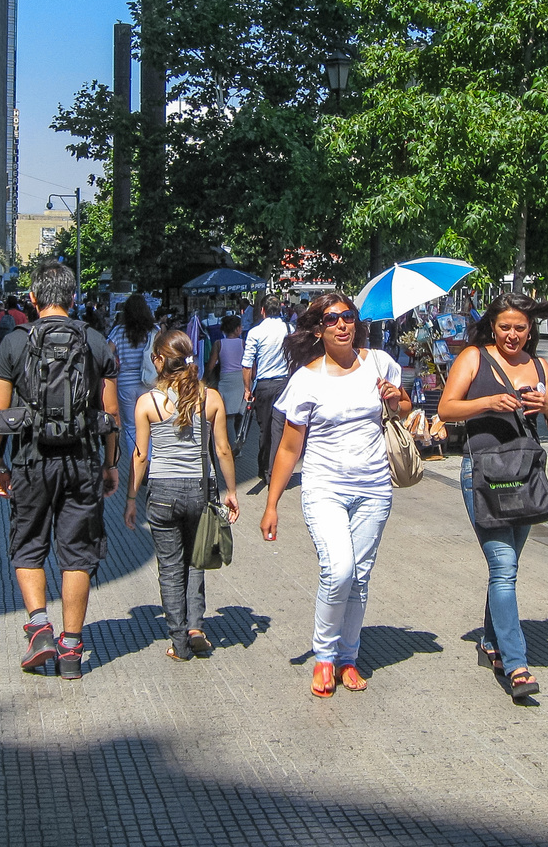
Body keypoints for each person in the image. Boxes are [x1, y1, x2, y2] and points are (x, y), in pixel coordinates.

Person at [259, 293, 410, 698]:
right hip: (325, 488)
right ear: (318, 328)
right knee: (338, 570)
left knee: (359, 578)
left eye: (348, 317)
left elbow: (406, 406)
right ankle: (324, 656)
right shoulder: (307, 378)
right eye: (332, 319)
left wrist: (396, 400)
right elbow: (289, 449)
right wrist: (271, 504)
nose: (342, 325)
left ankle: (348, 658)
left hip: (374, 488)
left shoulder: (379, 363)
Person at [0, 261, 120, 681]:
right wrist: (110, 464)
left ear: (33, 299)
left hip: (29, 458)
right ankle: (71, 649)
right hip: (82, 459)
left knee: (28, 545)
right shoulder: (97, 342)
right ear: (73, 298)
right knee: (77, 552)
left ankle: (40, 626)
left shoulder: (13, 343)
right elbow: (111, 412)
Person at [438, 293, 548, 702]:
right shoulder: (474, 358)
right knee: (504, 564)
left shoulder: (540, 366)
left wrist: (547, 406)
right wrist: (489, 402)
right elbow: (446, 408)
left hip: (525, 473)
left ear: (531, 330)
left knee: (505, 569)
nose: (513, 335)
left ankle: (491, 642)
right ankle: (517, 665)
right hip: (484, 472)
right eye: (505, 327)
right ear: (493, 326)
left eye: (521, 328)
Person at [126, 329, 240, 661]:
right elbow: (223, 450)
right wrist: (232, 491)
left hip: (161, 492)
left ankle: (179, 641)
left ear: (159, 360)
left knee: (171, 567)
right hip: (200, 489)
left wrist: (131, 498)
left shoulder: (148, 403)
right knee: (197, 558)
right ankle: (195, 627)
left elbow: (141, 456)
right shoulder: (211, 398)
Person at [108, 294, 157, 494]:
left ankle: (138, 469)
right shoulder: (153, 330)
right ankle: (151, 463)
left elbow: (107, 352)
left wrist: (117, 364)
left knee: (130, 428)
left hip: (125, 385)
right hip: (148, 383)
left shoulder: (118, 331)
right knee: (151, 426)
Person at [243, 296, 292, 479]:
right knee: (280, 429)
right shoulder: (289, 329)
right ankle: (276, 470)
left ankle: (265, 469)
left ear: (262, 310)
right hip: (284, 384)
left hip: (263, 386)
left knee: (265, 429)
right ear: (279, 309)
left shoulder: (255, 332)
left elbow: (247, 364)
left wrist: (247, 389)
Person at [208, 314, 247, 438]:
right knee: (240, 413)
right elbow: (250, 364)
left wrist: (205, 379)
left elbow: (211, 366)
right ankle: (237, 440)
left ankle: (232, 442)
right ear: (236, 329)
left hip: (225, 380)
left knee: (228, 415)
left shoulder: (218, 344)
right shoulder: (243, 343)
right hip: (240, 380)